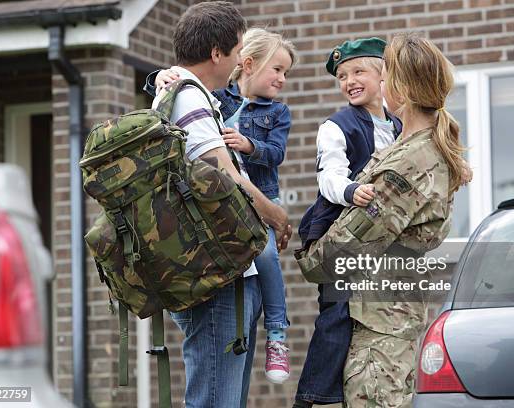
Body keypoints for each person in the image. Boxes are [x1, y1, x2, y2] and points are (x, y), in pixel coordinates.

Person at [299, 32, 470, 407]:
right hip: (387, 319)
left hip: (378, 331)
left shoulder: (406, 165)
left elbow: (330, 259)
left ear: (401, 89)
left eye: (385, 74)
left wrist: (308, 253)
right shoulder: (411, 149)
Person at [144, 3, 291, 407]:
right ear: (216, 53)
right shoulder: (189, 100)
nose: (238, 62)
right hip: (217, 285)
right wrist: (275, 215)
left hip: (219, 276)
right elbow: (228, 178)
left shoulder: (182, 94)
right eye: (236, 50)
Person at [293, 38, 402, 408]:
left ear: (383, 73)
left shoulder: (400, 125)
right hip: (337, 235)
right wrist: (352, 190)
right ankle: (312, 398)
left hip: (380, 240)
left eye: (358, 71)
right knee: (337, 313)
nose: (349, 80)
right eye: (342, 76)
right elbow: (329, 176)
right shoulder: (336, 126)